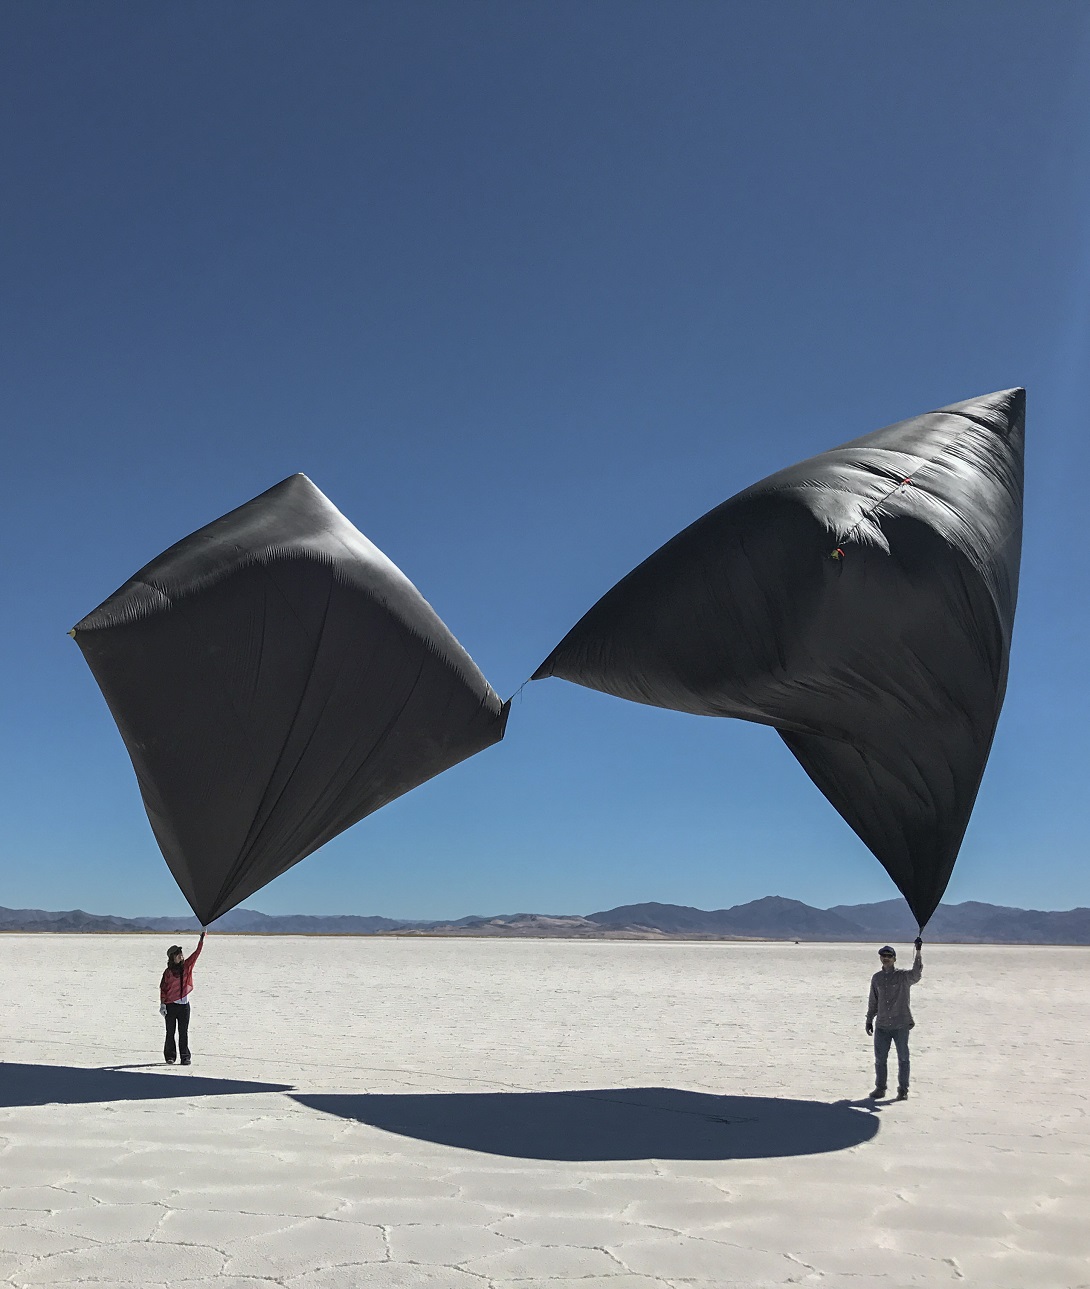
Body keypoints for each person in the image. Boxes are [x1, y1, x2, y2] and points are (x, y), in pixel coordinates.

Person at [865, 937, 923, 1100]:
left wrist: (918, 952)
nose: (886, 958)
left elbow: (916, 974)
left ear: (894, 958)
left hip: (900, 1025)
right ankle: (880, 1088)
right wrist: (869, 1019)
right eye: (883, 956)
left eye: (889, 956)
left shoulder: (903, 977)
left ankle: (903, 1089)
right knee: (880, 1059)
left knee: (903, 1057)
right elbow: (873, 1000)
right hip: (882, 1025)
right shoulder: (876, 978)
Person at [159, 931, 205, 1065]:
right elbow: (163, 988)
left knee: (183, 1032)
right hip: (171, 1005)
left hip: (184, 1006)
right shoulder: (168, 972)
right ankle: (170, 1056)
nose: (181, 956)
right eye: (178, 954)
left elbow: (197, 953)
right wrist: (162, 1005)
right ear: (172, 957)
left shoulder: (187, 966)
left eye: (181, 953)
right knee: (170, 1032)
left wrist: (201, 939)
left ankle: (185, 1056)